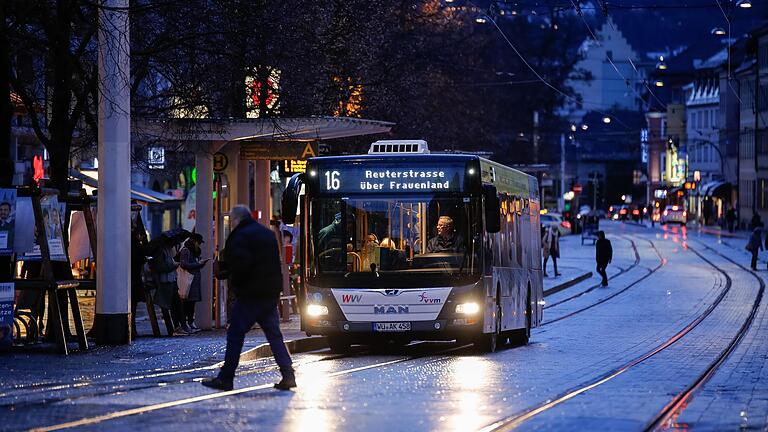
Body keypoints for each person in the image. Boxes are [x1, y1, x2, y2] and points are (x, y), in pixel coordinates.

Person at [203, 205, 295, 391]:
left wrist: (236, 284)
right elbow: (275, 265)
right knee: (275, 336)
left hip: (250, 295)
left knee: (235, 335)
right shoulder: (267, 234)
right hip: (269, 294)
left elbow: (239, 265)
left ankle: (226, 378)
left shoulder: (239, 236)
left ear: (236, 220)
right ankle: (288, 374)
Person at [178, 233, 209, 332]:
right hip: (188, 280)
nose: (199, 245)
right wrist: (197, 264)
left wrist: (201, 264)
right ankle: (186, 323)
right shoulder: (186, 250)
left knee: (192, 303)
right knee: (187, 303)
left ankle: (191, 322)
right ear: (194, 241)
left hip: (194, 280)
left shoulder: (195, 252)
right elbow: (184, 264)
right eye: (198, 243)